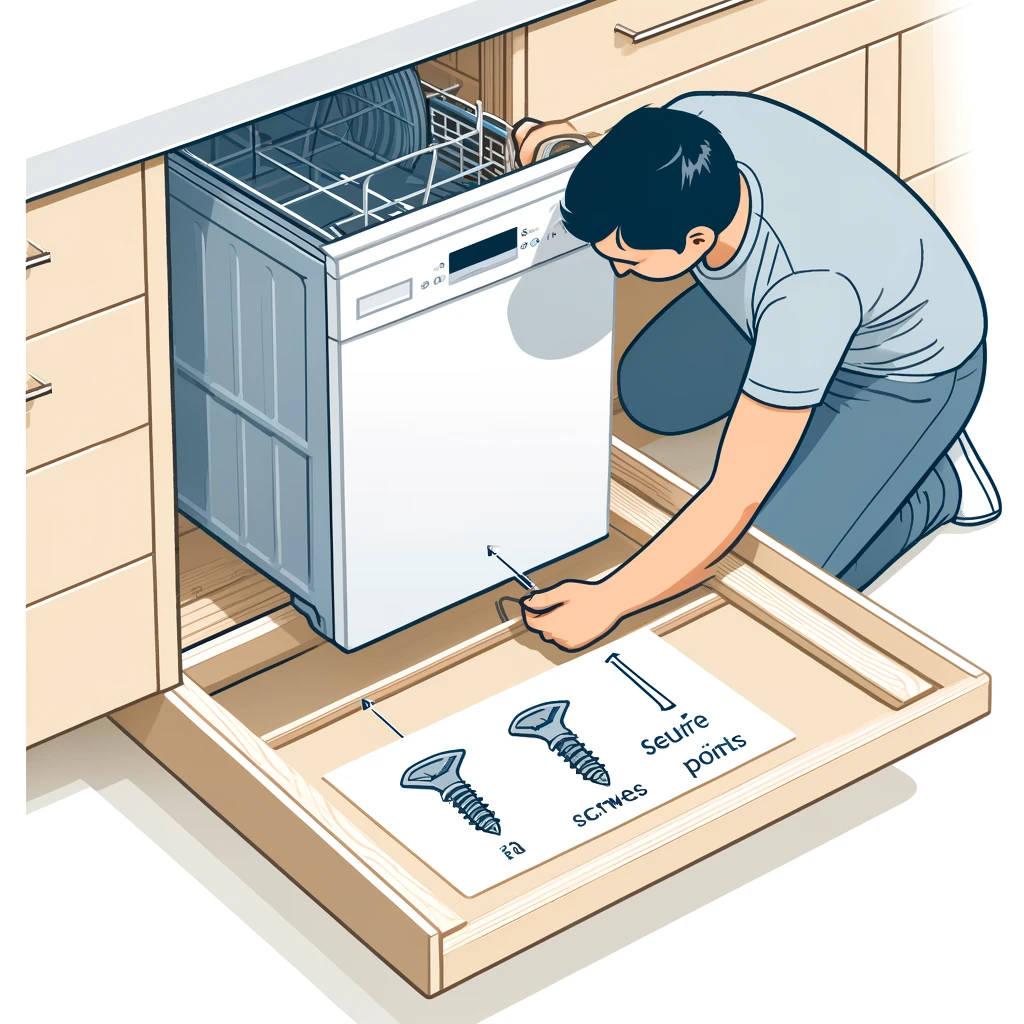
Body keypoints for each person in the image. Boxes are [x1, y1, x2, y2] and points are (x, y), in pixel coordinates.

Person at [513, 93, 1001, 653]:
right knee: (651, 392)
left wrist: (611, 598)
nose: (617, 270)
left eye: (629, 259)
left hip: (903, 372)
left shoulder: (805, 296)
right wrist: (575, 152)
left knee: (776, 573)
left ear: (696, 240)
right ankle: (820, 413)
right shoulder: (694, 130)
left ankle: (939, 485)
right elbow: (630, 161)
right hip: (792, 308)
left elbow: (734, 493)